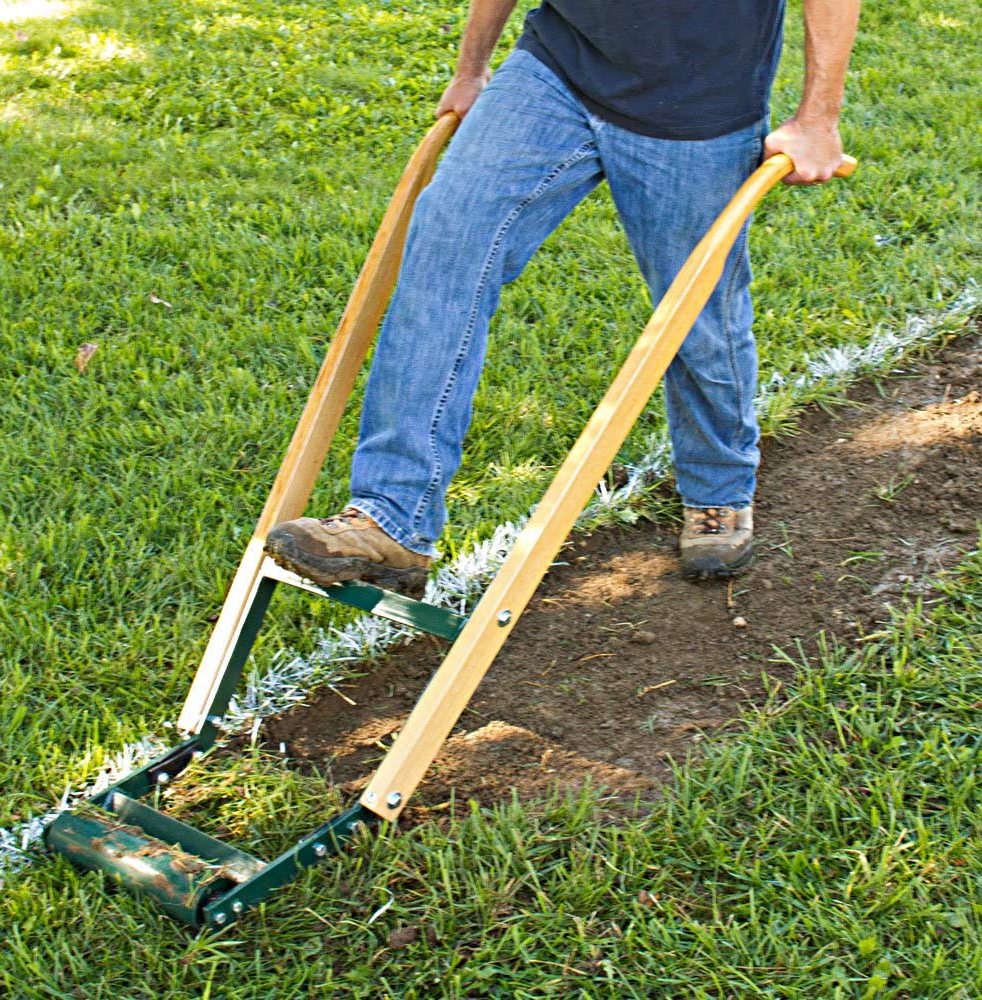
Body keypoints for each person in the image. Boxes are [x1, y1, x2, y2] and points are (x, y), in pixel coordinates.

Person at [266, 0, 860, 597]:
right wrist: (471, 67)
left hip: (698, 105)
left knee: (698, 313)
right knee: (445, 245)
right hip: (556, 68)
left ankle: (718, 491)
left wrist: (819, 118)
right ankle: (393, 518)